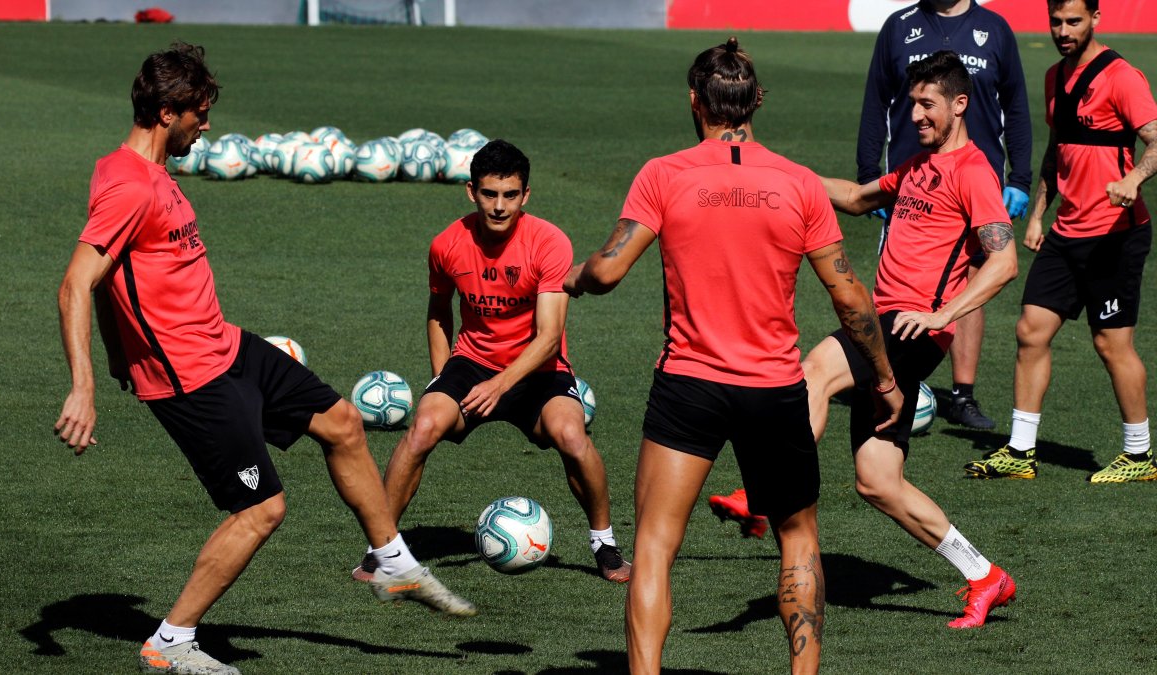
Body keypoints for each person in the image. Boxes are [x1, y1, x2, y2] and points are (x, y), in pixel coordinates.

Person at [53, 42, 473, 675]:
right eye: (200, 113)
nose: (208, 125)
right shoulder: (128, 186)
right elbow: (77, 283)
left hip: (226, 345)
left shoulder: (147, 172)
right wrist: (83, 387)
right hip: (189, 378)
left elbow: (124, 281)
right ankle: (170, 643)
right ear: (168, 113)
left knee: (342, 422)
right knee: (262, 509)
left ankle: (392, 562)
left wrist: (116, 354)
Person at [565, 37, 902, 675]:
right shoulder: (800, 184)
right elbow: (850, 294)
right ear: (756, 103)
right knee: (797, 537)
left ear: (696, 102)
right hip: (774, 390)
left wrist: (577, 278)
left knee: (655, 546)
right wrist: (882, 376)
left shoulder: (663, 175)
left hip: (688, 384)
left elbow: (606, 271)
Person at [712, 51, 1020, 630]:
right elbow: (856, 198)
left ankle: (761, 494)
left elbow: (1003, 261)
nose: (917, 114)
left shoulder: (974, 171)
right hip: (890, 324)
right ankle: (985, 575)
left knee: (814, 373)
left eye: (928, 105)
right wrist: (779, 171)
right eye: (913, 104)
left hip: (907, 327)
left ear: (960, 104)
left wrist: (941, 315)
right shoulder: (920, 165)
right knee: (878, 481)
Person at [349, 139, 632, 585]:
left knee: (572, 436)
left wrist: (500, 384)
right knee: (422, 428)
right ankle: (381, 548)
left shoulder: (548, 242)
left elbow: (549, 337)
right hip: (471, 364)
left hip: (538, 369)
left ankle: (605, 544)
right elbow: (439, 311)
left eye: (510, 195)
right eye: (489, 194)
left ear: (526, 195)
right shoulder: (447, 244)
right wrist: (441, 377)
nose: (499, 206)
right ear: (471, 191)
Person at [965, 0, 1157, 483]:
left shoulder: (1121, 76)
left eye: (1073, 21)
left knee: (1111, 344)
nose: (1063, 30)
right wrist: (1037, 215)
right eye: (1056, 21)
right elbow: (1058, 149)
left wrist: (1134, 179)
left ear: (1096, 18)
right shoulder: (1055, 77)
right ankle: (1020, 450)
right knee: (1031, 331)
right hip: (1065, 231)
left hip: (1116, 234)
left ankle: (1139, 456)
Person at [858, 0, 1032, 430]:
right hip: (909, 180)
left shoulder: (995, 29)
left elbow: (1016, 105)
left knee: (972, 284)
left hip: (975, 182)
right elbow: (876, 100)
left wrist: (1020, 178)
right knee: (903, 283)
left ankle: (963, 394)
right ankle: (890, 376)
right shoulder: (899, 27)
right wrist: (868, 174)